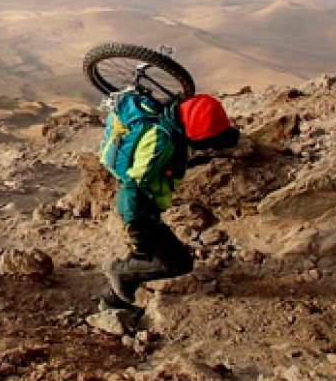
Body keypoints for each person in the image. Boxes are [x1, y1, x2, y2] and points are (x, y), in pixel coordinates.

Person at [96, 92, 240, 312]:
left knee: (147, 256)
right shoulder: (160, 143)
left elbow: (213, 131)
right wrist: (135, 228)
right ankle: (119, 278)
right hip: (140, 211)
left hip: (146, 207)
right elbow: (133, 186)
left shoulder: (176, 115)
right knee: (176, 263)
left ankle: (116, 299)